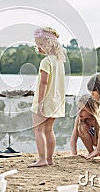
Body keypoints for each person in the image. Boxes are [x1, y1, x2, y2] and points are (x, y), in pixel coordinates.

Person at [30, 27, 66, 167]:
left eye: (42, 44)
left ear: (51, 44)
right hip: (55, 101)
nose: (39, 48)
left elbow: (43, 83)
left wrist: (39, 103)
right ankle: (50, 159)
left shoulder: (46, 62)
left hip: (44, 100)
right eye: (37, 45)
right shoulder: (59, 61)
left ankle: (41, 158)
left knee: (38, 129)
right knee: (49, 130)